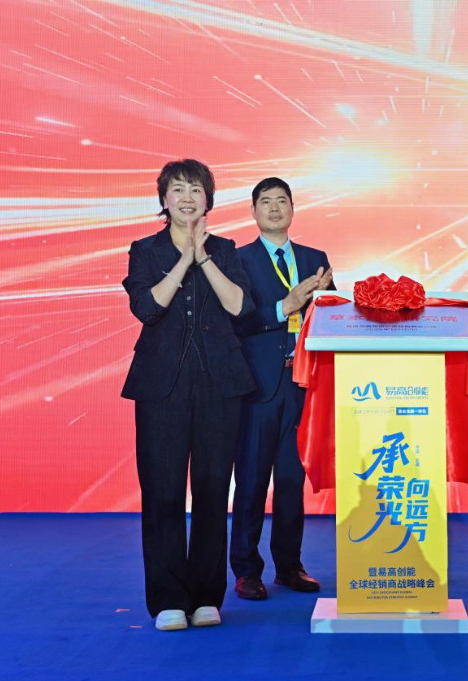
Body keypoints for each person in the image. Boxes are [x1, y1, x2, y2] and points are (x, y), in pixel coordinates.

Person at [121, 159, 255, 631]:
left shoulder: (226, 250)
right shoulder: (145, 250)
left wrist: (205, 258)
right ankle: (168, 599)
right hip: (162, 387)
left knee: (214, 490)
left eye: (196, 190)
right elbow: (147, 308)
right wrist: (184, 260)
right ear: (164, 199)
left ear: (208, 199)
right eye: (177, 189)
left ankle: (205, 596)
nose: (187, 198)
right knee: (163, 492)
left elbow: (240, 306)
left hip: (220, 385)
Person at [229, 177, 334, 600]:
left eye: (282, 201)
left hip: (302, 384)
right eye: (265, 202)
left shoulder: (314, 258)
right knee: (251, 481)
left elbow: (330, 321)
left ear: (293, 208)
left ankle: (290, 566)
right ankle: (246, 570)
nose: (274, 208)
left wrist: (325, 301)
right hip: (258, 387)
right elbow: (235, 320)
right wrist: (284, 307)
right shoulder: (237, 260)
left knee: (291, 480)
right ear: (254, 211)